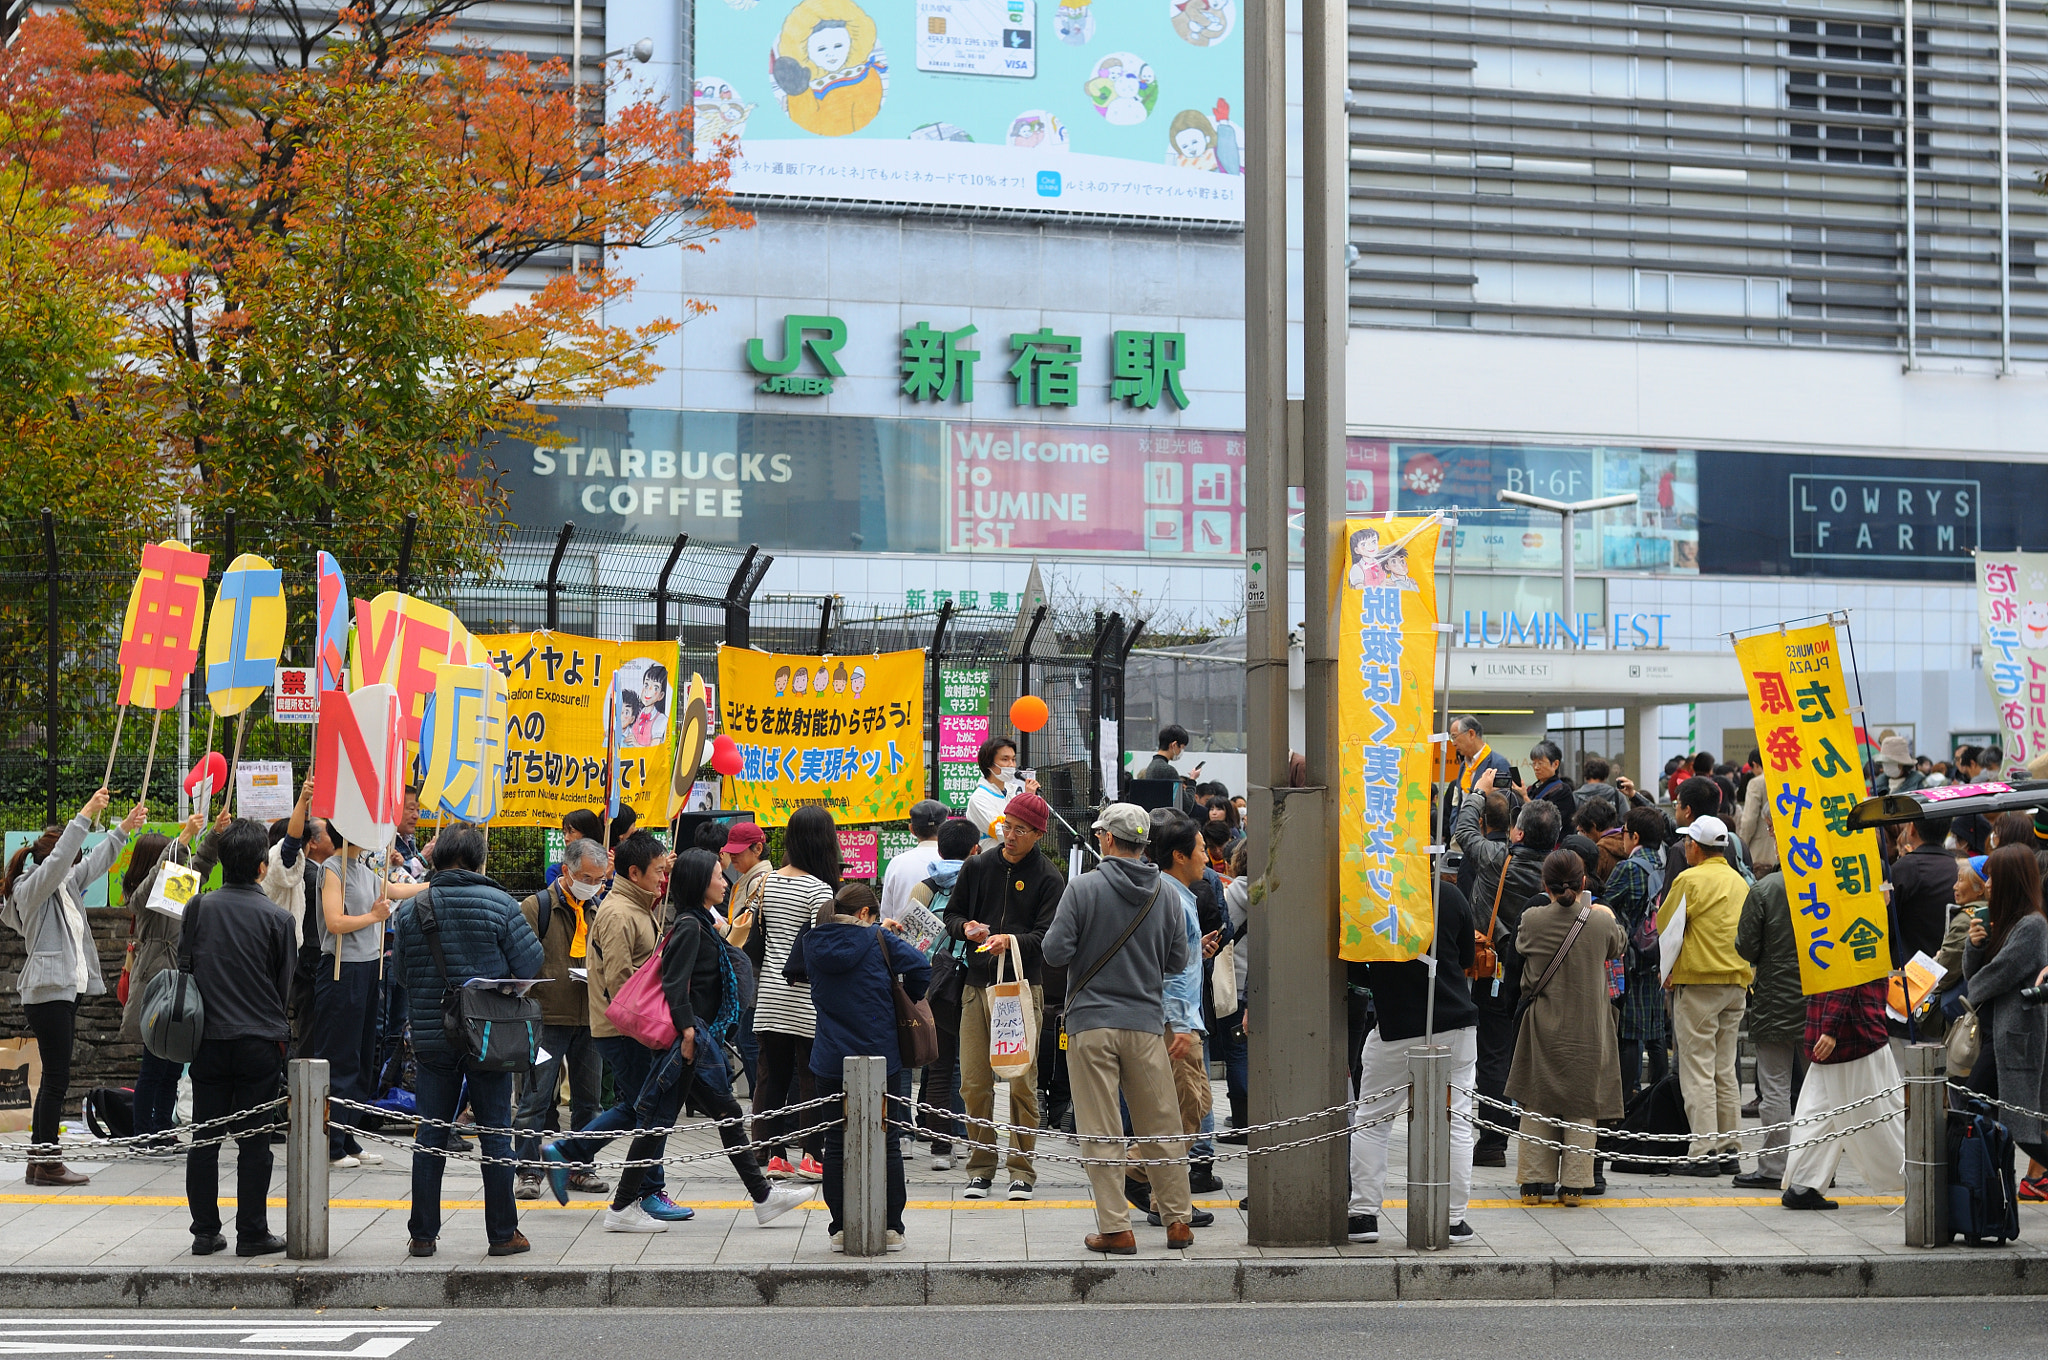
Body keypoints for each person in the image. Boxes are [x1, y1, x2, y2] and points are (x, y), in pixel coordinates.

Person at [599, 849, 812, 1233]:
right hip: (687, 1043)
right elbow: (674, 983)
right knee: (656, 1122)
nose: (724, 881)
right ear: (700, 882)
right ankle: (619, 1209)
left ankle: (763, 1198)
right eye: (717, 875)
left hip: (695, 1041)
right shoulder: (688, 927)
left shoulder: (698, 923)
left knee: (714, 1116)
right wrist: (687, 1032)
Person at [1041, 802, 1196, 1254]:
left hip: (1091, 1024)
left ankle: (1116, 1227)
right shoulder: (1166, 893)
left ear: (1107, 839)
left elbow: (1054, 952)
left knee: (1101, 1128)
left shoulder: (1083, 888)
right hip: (1146, 1024)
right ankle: (1178, 1222)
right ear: (1143, 844)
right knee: (1161, 1126)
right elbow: (1176, 961)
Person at [387, 824, 544, 1256]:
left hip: (433, 1037)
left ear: (435, 861)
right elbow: (530, 963)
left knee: (430, 1134)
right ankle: (502, 1233)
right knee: (495, 1133)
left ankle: (422, 1234)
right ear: (479, 861)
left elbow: (400, 974)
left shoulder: (411, 908)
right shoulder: (500, 904)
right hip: (488, 1036)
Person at [2, 788, 145, 1185]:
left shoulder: (63, 884)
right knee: (56, 1079)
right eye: (67, 858)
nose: (74, 865)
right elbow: (65, 858)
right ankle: (47, 1161)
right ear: (54, 857)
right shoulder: (31, 888)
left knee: (54, 1076)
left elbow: (95, 863)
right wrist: (83, 816)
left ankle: (38, 1159)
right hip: (48, 993)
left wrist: (124, 829)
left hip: (62, 991)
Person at [545, 830, 685, 1213]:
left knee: (637, 1106)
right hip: (627, 1031)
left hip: (628, 1030)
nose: (662, 877)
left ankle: (567, 1150)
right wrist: (648, 1029)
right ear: (635, 872)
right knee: (648, 1110)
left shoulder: (636, 905)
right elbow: (621, 982)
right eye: (657, 871)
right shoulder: (620, 912)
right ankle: (649, 1191)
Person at [180, 817, 296, 1257]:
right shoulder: (278, 919)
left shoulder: (198, 908)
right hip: (259, 1039)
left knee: (205, 1138)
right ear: (262, 867)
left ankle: (205, 1232)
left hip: (207, 1038)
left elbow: (184, 966)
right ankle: (252, 1231)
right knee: (255, 1141)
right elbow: (282, 986)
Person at [1347, 862, 1479, 1243]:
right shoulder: (1449, 895)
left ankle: (1363, 1216)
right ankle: (1452, 1219)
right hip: (1455, 1025)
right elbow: (1467, 957)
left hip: (1394, 1026)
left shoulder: (1372, 897)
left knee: (1371, 1120)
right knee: (1456, 1122)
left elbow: (1354, 968)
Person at [944, 791, 1064, 1199]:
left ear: (1037, 835)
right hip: (977, 988)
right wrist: (967, 929)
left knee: (1022, 1084)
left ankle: (1022, 1169)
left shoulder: (1049, 877)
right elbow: (952, 916)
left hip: (1022, 990)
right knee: (974, 1083)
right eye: (1006, 826)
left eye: (1019, 830)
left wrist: (1008, 940)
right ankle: (980, 1166)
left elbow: (1045, 938)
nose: (1009, 835)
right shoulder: (977, 866)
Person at [804, 881, 931, 1251]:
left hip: (829, 1057)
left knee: (833, 1140)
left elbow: (793, 972)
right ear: (865, 914)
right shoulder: (880, 940)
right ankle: (891, 1227)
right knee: (887, 1141)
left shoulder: (812, 944)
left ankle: (840, 1228)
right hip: (881, 1055)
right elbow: (921, 968)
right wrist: (906, 995)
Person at [1509, 849, 1626, 1206]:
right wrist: (1602, 911)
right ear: (1584, 882)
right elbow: (1618, 945)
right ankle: (1574, 1186)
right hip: (1589, 1026)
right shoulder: (1601, 921)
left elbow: (1520, 947)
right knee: (1582, 1102)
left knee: (1538, 1099)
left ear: (1544, 884)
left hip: (1543, 1023)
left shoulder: (1532, 920)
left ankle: (1532, 1183)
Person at [1451, 769, 1554, 1167]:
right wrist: (1528, 801)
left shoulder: (1498, 860)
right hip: (1546, 975)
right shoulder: (1561, 868)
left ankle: (1492, 1142)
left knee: (1494, 1057)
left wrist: (1478, 794)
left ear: (1518, 833)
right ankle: (1544, 1143)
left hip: (1495, 972)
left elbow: (1465, 832)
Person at [1129, 810, 1214, 1228]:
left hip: (1172, 1017)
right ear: (1179, 855)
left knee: (1185, 1107)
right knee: (1187, 1107)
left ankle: (1160, 1192)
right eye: (1200, 850)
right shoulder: (1173, 899)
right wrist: (1182, 1025)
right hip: (1175, 1021)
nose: (1207, 859)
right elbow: (1173, 973)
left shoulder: (1170, 894)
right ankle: (1145, 1178)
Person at [1657, 814, 1754, 1175]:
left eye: (1687, 842)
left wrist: (1665, 972)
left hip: (1698, 983)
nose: (1684, 847)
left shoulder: (1689, 879)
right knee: (1724, 1068)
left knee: (1696, 1068)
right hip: (1736, 982)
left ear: (1696, 846)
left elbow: (1668, 929)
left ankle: (1702, 1150)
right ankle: (1730, 1148)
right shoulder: (1740, 881)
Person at [513, 836, 608, 1202]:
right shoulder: (536, 907)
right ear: (566, 870)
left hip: (590, 1020)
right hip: (545, 1018)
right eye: (586, 876)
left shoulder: (600, 908)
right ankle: (528, 1171)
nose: (593, 884)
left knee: (589, 1101)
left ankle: (580, 1168)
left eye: (599, 878)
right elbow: (519, 961)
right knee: (536, 1098)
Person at [119, 814, 221, 1148]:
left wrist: (214, 836)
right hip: (156, 982)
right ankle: (143, 1131)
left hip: (178, 981)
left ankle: (162, 1127)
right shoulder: (144, 896)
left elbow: (201, 866)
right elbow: (162, 872)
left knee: (172, 1065)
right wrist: (181, 841)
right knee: (153, 1064)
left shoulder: (175, 890)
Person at [751, 804, 839, 1180]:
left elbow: (760, 940)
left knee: (773, 1075)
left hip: (770, 995)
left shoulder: (766, 882)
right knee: (809, 1076)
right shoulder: (818, 890)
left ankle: (775, 1155)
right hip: (806, 999)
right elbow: (825, 947)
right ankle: (811, 1155)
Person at [1963, 844, 2048, 1196]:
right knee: (1986, 1112)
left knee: (2021, 1125)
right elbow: (1977, 973)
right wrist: (1974, 946)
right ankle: (1990, 1193)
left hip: (2016, 1036)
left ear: (2011, 880)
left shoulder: (2032, 925)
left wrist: (1975, 986)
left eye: (1995, 876)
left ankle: (1990, 1191)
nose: (1988, 883)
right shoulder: (2006, 921)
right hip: (1997, 1035)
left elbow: (1995, 976)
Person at [1778, 976, 1905, 1210]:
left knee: (1818, 1113)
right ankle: (1916, 1176)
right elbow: (1846, 977)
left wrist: (1828, 1028)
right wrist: (1830, 1029)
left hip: (1833, 1032)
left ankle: (1803, 1183)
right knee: (1883, 1114)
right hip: (1859, 1032)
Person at [312, 830, 391, 1169]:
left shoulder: (363, 867)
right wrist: (373, 918)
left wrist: (440, 883)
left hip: (368, 967)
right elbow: (334, 921)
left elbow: (392, 891)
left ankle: (346, 1134)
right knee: (340, 1057)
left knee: (361, 1059)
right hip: (341, 970)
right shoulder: (333, 868)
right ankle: (329, 1143)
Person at [914, 816, 980, 1169]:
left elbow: (911, 942)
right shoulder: (980, 881)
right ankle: (973, 1141)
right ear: (974, 849)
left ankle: (941, 1149)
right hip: (972, 983)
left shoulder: (925, 887)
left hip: (934, 984)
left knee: (940, 1067)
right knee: (973, 1069)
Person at [1734, 870, 1804, 1190]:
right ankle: (1817, 1167)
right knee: (1817, 1090)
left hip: (1775, 1001)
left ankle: (1775, 1166)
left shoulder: (1764, 889)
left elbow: (1746, 947)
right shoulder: (1828, 884)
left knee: (1775, 1088)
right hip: (1820, 1002)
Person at [1604, 808, 1668, 1104]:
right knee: (1655, 1033)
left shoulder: (1629, 868)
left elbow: (1606, 904)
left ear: (1635, 837)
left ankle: (1628, 1098)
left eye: (1625, 832)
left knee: (1630, 1032)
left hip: (1631, 957)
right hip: (1658, 955)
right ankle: (1659, 1097)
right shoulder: (1666, 864)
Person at [723, 819, 770, 1091]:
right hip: (744, 965)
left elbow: (747, 927)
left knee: (749, 1040)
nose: (733, 857)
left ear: (758, 849)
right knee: (746, 1038)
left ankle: (759, 1099)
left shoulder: (760, 879)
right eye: (731, 851)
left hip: (753, 968)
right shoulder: (746, 878)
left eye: (739, 852)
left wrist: (722, 929)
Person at [1889, 815, 1958, 967]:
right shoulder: (1960, 865)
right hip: (1951, 966)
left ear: (1912, 828)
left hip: (1909, 970)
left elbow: (1887, 922)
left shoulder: (1906, 868)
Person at [879, 800, 950, 923]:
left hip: (901, 939)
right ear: (945, 828)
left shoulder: (897, 863)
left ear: (911, 829)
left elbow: (886, 914)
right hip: (946, 940)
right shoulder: (952, 862)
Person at [966, 736, 1039, 850]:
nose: (1011, 765)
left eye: (1013, 759)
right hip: (991, 862)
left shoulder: (1012, 792)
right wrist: (1027, 801)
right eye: (1005, 759)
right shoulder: (979, 798)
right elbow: (1004, 834)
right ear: (988, 764)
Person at [1448, 716, 1515, 816]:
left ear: (1471, 734)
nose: (1453, 743)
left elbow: (1504, 806)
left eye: (1454, 737)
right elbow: (1457, 801)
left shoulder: (1497, 763)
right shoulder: (1464, 765)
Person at [1737, 769, 1779, 874]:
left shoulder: (1756, 783)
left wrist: (1742, 846)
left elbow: (1749, 820)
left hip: (1760, 849)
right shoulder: (1791, 778)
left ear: (1755, 764)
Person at [1526, 741, 1577, 824]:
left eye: (1540, 763)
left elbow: (1548, 822)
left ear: (1555, 764)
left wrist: (1524, 798)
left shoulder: (1562, 790)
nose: (1536, 767)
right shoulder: (1533, 788)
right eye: (1534, 763)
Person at [1576, 758, 1626, 824]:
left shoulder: (1576, 796)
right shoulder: (1617, 795)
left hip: (1582, 834)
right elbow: (1626, 820)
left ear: (1585, 776)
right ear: (1606, 776)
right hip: (1611, 834)